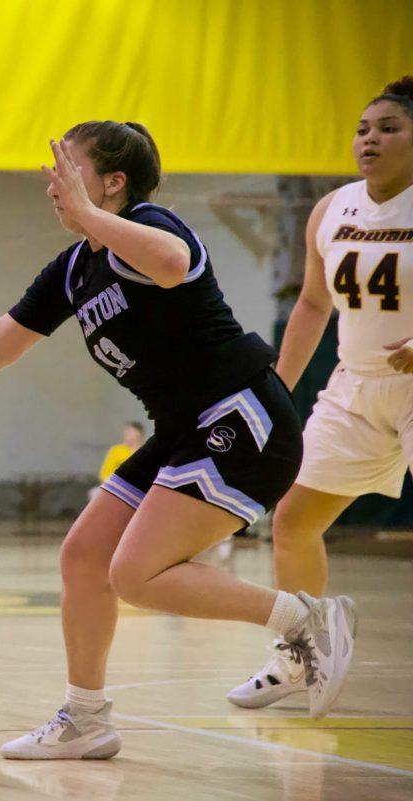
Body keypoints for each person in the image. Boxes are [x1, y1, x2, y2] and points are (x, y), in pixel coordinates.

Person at [0, 122, 356, 760]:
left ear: (112, 181)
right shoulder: (75, 268)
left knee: (134, 574)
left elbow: (172, 264)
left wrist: (86, 216)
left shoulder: (155, 225)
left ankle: (303, 619)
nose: (54, 185)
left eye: (66, 169)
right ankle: (87, 718)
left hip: (241, 415)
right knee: (83, 557)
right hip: (184, 429)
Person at [227, 76, 413, 709]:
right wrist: (278, 385)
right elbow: (310, 302)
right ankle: (301, 659)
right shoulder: (331, 209)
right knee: (294, 519)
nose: (370, 139)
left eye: (389, 128)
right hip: (354, 386)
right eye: (363, 128)